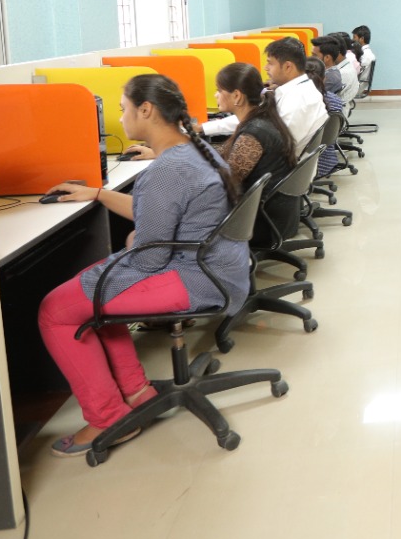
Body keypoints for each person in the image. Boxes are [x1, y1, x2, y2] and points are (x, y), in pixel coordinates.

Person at [37, 74, 248, 458]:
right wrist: (99, 194)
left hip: (195, 277)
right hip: (219, 268)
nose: (121, 118)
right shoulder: (196, 150)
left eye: (123, 109)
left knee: (55, 310)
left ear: (146, 110)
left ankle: (108, 418)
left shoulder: (167, 170)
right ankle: (136, 391)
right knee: (93, 290)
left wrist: (135, 240)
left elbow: (150, 257)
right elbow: (160, 210)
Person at [211, 62, 298, 246]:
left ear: (237, 96)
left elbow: (225, 182)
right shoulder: (260, 119)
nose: (215, 95)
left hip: (262, 224)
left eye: (219, 90)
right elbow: (225, 152)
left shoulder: (254, 133)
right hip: (275, 215)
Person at [195, 37, 325, 154]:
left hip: (280, 166)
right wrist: (203, 127)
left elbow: (273, 142)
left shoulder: (297, 100)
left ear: (287, 67)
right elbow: (251, 118)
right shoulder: (300, 90)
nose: (265, 68)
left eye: (270, 63)